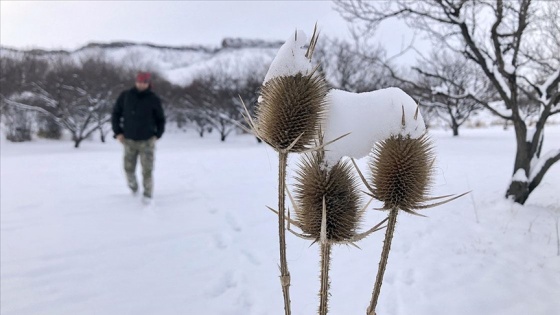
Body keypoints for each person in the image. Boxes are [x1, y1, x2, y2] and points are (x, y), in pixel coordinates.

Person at [111, 72, 166, 204]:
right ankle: (134, 189)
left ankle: (147, 195)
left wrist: (158, 134)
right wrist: (118, 132)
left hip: (147, 141)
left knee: (147, 170)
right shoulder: (126, 96)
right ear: (136, 81)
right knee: (128, 169)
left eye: (145, 82)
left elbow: (161, 118)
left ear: (148, 83)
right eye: (140, 81)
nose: (142, 84)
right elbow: (116, 114)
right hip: (128, 140)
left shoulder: (153, 98)